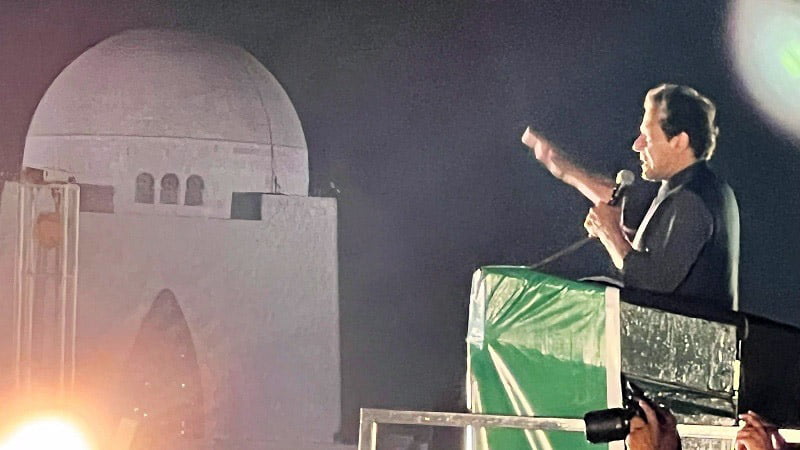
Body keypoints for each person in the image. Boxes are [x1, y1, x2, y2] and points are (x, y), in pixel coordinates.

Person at [522, 84, 739, 310]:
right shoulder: (694, 188)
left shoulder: (691, 198)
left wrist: (610, 234)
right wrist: (611, 225)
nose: (637, 145)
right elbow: (661, 256)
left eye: (647, 136)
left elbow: (651, 283)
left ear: (679, 141)